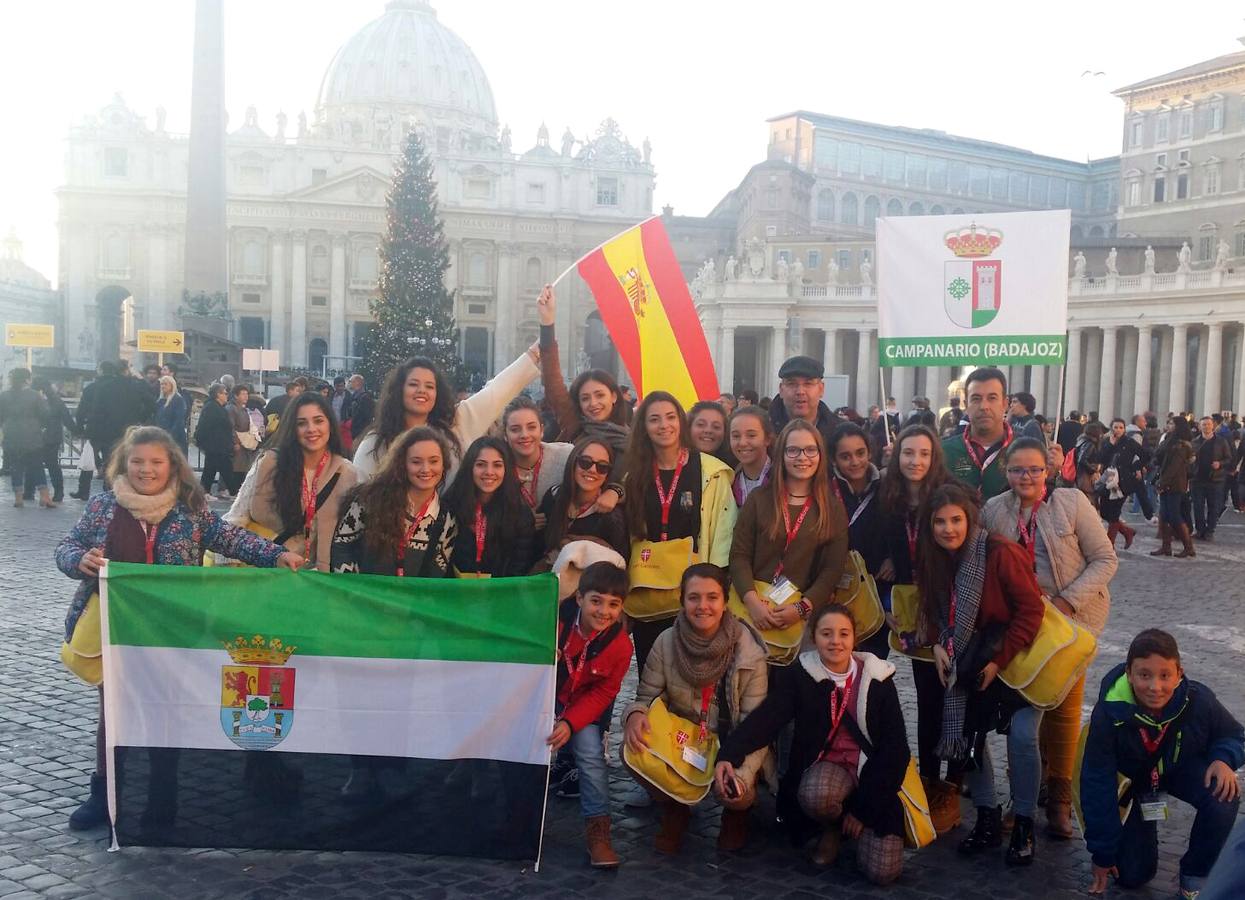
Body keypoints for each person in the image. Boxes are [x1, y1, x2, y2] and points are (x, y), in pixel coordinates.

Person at [55, 426, 301, 830]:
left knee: (163, 709)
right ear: (124, 463)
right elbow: (66, 546)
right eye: (137, 462)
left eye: (155, 462)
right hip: (113, 628)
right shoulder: (102, 507)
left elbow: (230, 538)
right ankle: (104, 793)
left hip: (170, 631)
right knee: (112, 710)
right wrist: (78, 558)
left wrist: (276, 556)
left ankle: (162, 792)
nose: (145, 470)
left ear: (172, 465)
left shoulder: (190, 511)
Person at [982, 437, 1118, 840]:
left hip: (1071, 621)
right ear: (1005, 472)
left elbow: (1105, 559)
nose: (1027, 477)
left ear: (1049, 471)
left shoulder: (1072, 503)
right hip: (1021, 624)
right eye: (1017, 470)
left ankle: (1058, 798)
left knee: (1063, 708)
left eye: (1035, 469)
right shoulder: (993, 511)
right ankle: (1022, 794)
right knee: (1022, 702)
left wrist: (1065, 602)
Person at [716, 604, 910, 882]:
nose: (835, 641)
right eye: (826, 633)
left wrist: (863, 810)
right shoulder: (801, 675)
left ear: (854, 638)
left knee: (883, 873)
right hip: (827, 772)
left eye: (843, 634)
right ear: (814, 637)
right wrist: (729, 753)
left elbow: (895, 750)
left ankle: (856, 821)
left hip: (873, 778)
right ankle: (831, 828)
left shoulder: (878, 679)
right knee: (817, 794)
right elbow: (767, 719)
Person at [914, 482, 1045, 866]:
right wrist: (939, 643)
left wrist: (999, 660)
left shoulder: (1001, 552)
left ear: (970, 519)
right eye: (939, 522)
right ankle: (986, 817)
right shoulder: (935, 558)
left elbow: (1031, 612)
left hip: (1015, 660)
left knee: (1022, 737)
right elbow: (938, 613)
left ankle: (1023, 822)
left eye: (956, 520)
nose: (948, 529)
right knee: (972, 738)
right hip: (969, 661)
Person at [1080, 629, 1242, 899]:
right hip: (1134, 782)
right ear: (1129, 674)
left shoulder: (1199, 700)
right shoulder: (1109, 714)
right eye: (1144, 675)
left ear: (1179, 674)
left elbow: (1235, 734)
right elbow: (1097, 782)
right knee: (1132, 876)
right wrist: (1102, 853)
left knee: (1224, 793)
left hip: (1179, 769)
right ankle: (1141, 832)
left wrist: (1224, 759)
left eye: (1165, 675)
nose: (1155, 687)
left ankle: (1195, 874)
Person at [622, 564, 768, 853]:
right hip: (683, 739)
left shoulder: (749, 651)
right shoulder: (666, 641)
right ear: (683, 601)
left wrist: (742, 771)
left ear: (725, 602)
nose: (703, 606)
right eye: (694, 597)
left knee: (738, 790)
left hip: (732, 741)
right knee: (631, 750)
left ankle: (735, 815)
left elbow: (756, 723)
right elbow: (646, 696)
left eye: (712, 597)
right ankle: (675, 806)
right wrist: (635, 715)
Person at [621, 392, 737, 674]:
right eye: (654, 419)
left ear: (681, 423)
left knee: (694, 672)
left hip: (694, 592)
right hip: (649, 588)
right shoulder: (634, 474)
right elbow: (627, 536)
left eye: (671, 417)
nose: (664, 425)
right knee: (651, 672)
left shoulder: (711, 471)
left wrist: (716, 589)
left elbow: (723, 532)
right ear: (643, 427)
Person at [875, 424, 955, 828]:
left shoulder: (947, 496)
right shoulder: (888, 499)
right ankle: (928, 778)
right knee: (926, 696)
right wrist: (890, 561)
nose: (915, 461)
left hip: (944, 601)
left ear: (933, 457)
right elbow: (880, 546)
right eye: (908, 453)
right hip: (906, 604)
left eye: (923, 454)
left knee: (951, 696)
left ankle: (952, 784)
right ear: (897, 456)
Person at [547, 562, 633, 868]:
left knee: (591, 757)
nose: (603, 612)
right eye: (596, 601)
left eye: (613, 605)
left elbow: (604, 694)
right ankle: (515, 817)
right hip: (545, 698)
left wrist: (570, 723)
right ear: (580, 598)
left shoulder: (621, 646)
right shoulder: (552, 623)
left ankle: (599, 832)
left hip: (580, 709)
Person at [730, 420, 849, 641]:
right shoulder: (759, 499)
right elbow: (739, 555)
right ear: (782, 455)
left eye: (810, 450)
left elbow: (832, 569)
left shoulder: (832, 507)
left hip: (799, 615)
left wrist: (803, 607)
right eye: (793, 450)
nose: (802, 457)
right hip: (752, 609)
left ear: (820, 454)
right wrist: (752, 601)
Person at [353, 346, 537, 482]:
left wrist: (538, 348)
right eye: (413, 384)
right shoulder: (376, 441)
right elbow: (358, 493)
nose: (422, 391)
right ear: (399, 390)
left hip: (449, 530)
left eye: (429, 386)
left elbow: (496, 392)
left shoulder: (455, 425)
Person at [223, 393, 357, 571]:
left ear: (330, 425)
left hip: (320, 577)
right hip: (270, 571)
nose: (311, 429)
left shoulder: (347, 472)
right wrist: (226, 562)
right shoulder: (269, 463)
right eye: (302, 423)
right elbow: (238, 516)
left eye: (318, 421)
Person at [331, 427, 457, 578]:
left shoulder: (446, 520)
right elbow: (341, 546)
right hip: (362, 598)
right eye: (416, 462)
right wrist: (354, 589)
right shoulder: (369, 499)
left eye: (434, 461)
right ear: (402, 464)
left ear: (444, 465)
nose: (426, 469)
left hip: (407, 601)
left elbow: (435, 577)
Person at [829, 423, 886, 656]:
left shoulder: (886, 486)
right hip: (837, 585)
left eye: (860, 453)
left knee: (873, 660)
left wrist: (892, 556)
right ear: (834, 460)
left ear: (869, 452)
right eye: (845, 456)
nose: (854, 462)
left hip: (876, 587)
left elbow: (898, 527)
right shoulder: (826, 490)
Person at [443, 436, 537, 577]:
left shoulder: (520, 516)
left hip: (501, 594)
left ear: (507, 469)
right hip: (452, 592)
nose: (489, 472)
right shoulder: (451, 505)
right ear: (470, 467)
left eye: (497, 465)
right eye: (481, 464)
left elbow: (519, 569)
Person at [536, 437, 629, 566]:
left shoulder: (612, 516)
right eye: (585, 462)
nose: (593, 470)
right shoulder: (554, 496)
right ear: (573, 462)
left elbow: (620, 566)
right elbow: (537, 546)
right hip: (548, 580)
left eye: (602, 467)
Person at [502, 395, 573, 534]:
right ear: (505, 435)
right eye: (515, 429)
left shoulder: (566, 456)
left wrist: (615, 491)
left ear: (541, 430)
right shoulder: (496, 466)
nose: (524, 435)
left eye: (531, 427)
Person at [942, 366, 1012, 500]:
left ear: (1005, 403)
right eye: (976, 398)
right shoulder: (943, 451)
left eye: (992, 398)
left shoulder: (1024, 450)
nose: (984, 406)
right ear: (966, 404)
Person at [76, 360, 155, 471]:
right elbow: (152, 404)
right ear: (127, 370)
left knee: (105, 461)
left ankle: (102, 485)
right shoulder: (135, 386)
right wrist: (140, 417)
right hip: (128, 429)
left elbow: (96, 409)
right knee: (125, 463)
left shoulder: (103, 387)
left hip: (106, 429)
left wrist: (83, 428)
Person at [768, 355, 844, 450]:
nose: (800, 391)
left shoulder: (840, 433)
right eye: (792, 384)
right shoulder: (765, 430)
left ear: (821, 389)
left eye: (808, 384)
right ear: (781, 389)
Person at [0, 368, 50, 507]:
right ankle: (45, 497)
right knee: (37, 466)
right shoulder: (35, 395)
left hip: (11, 435)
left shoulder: (4, 396)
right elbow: (45, 415)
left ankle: (18, 498)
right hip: (32, 436)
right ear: (27, 379)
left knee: (16, 467)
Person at [1097, 418, 1149, 548]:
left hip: (1123, 482)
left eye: (1121, 427)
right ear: (1111, 428)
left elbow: (1145, 456)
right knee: (1104, 511)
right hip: (1108, 480)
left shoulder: (1129, 442)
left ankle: (1109, 545)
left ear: (1124, 429)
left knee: (1114, 512)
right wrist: (1110, 445)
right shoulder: (1106, 441)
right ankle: (1127, 531)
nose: (1118, 430)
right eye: (1116, 427)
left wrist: (1136, 467)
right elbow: (1101, 458)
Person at [1152, 416, 1196, 558]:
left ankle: (1188, 547)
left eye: (1172, 423)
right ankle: (1166, 547)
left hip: (1175, 483)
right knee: (1164, 516)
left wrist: (1162, 483)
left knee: (1175, 516)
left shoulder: (1181, 445)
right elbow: (1159, 457)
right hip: (1166, 480)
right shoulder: (1168, 440)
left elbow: (1174, 467)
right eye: (1169, 422)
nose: (1169, 425)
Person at [29, 378, 77, 505]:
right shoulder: (56, 400)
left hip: (36, 437)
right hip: (52, 437)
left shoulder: (33, 400)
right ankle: (58, 492)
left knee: (33, 464)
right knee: (53, 465)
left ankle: (29, 491)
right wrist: (78, 431)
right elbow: (67, 419)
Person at [1191, 416, 1232, 542]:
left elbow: (1229, 458)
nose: (1206, 427)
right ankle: (1200, 530)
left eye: (1208, 424)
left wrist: (1220, 464)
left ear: (1213, 426)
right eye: (1204, 424)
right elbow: (1189, 458)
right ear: (1200, 426)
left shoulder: (1221, 441)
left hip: (1215, 479)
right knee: (1197, 506)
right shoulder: (1195, 442)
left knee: (1213, 506)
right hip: (1197, 479)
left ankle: (1210, 531)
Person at [728, 405, 775, 506]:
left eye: (751, 435)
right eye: (736, 436)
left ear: (767, 439)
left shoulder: (783, 479)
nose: (742, 443)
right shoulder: (728, 480)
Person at [194, 385, 235, 498]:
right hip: (215, 444)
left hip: (218, 444)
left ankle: (205, 491)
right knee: (222, 468)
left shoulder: (217, 407)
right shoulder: (212, 407)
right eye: (225, 393)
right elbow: (206, 426)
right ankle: (233, 491)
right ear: (218, 394)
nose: (227, 396)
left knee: (212, 468)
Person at [226, 385, 255, 495]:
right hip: (237, 441)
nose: (246, 396)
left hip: (245, 441)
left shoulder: (243, 408)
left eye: (247, 394)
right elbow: (231, 426)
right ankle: (231, 489)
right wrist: (236, 442)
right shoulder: (231, 408)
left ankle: (238, 489)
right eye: (243, 394)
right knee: (234, 466)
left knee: (242, 466)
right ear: (235, 395)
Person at [688, 400, 735, 466]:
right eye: (701, 424)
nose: (708, 430)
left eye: (716, 427)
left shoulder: (735, 469)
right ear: (689, 427)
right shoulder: (674, 464)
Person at [154, 375, 188, 455]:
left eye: (165, 384)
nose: (163, 386)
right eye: (161, 384)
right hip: (161, 435)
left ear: (172, 385)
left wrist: (170, 436)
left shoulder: (178, 400)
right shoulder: (160, 400)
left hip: (174, 437)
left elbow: (179, 420)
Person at [346, 374, 374, 449]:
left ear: (358, 382)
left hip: (361, 432)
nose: (349, 384)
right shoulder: (354, 396)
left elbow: (367, 417)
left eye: (350, 381)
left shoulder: (365, 398)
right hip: (355, 431)